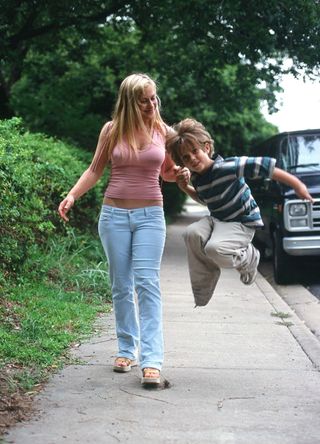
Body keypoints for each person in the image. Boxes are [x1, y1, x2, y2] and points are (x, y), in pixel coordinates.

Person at [58, 73, 187, 387]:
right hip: (113, 216)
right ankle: (127, 349)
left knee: (147, 283)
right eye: (144, 99)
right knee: (121, 285)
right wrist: (73, 194)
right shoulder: (112, 130)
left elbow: (168, 173)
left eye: (153, 97)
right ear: (130, 101)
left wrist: (182, 174)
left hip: (150, 217)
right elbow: (95, 169)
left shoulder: (163, 132)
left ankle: (152, 360)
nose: (151, 104)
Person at [166, 118, 314, 307]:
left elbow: (266, 168)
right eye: (186, 157)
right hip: (218, 220)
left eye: (195, 151)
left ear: (207, 148)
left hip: (242, 222)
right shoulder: (199, 178)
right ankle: (203, 289)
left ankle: (249, 258)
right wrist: (185, 187)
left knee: (214, 249)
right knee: (191, 234)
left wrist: (298, 185)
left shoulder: (229, 167)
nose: (192, 159)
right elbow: (205, 199)